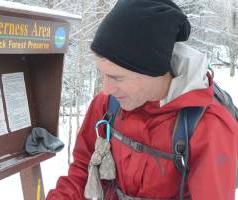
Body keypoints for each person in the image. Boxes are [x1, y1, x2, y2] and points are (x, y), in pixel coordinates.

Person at [46, 0, 238, 199]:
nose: (106, 89)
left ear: (153, 71)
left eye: (117, 77)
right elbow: (82, 174)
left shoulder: (208, 126)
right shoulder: (108, 105)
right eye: (103, 74)